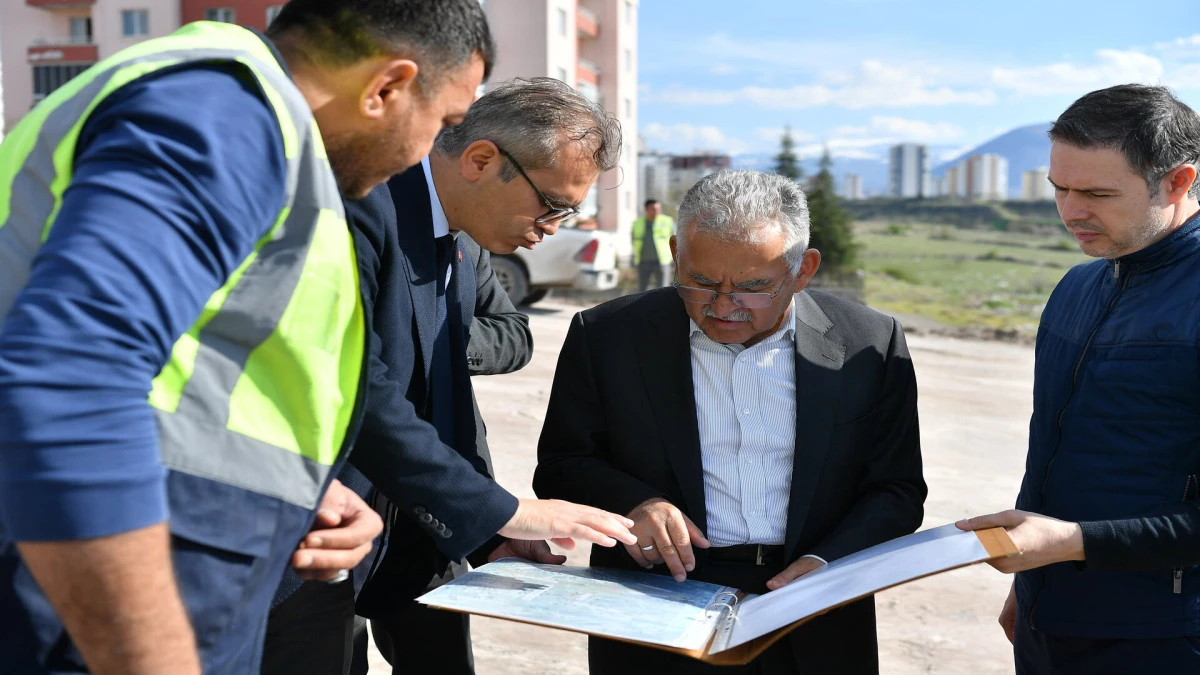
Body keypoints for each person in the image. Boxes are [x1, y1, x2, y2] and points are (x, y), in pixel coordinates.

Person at [0, 0, 505, 671]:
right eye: (442, 123)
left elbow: (187, 365)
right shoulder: (224, 111)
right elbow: (72, 383)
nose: (426, 154)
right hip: (101, 614)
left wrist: (301, 487)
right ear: (387, 85)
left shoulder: (269, 145)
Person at [263, 77, 631, 674]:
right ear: (482, 160)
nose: (553, 229)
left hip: (419, 520)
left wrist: (487, 526)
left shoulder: (462, 235)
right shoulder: (360, 203)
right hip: (318, 521)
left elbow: (448, 400)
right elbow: (358, 384)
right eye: (552, 205)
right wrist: (503, 510)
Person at [535, 169, 927, 675]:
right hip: (657, 604)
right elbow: (563, 464)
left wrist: (826, 563)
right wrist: (636, 504)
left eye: (752, 288)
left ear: (803, 270)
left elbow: (896, 490)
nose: (723, 307)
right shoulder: (607, 336)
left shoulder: (868, 344)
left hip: (813, 604)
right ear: (676, 253)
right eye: (700, 282)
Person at [958, 84, 1200, 674]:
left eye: (1096, 193)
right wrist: (1031, 584)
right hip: (1052, 618)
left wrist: (1071, 544)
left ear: (1178, 182)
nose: (1070, 212)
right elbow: (1050, 449)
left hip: (1164, 638)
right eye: (1059, 189)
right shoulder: (1076, 286)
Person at [632, 198, 676, 292]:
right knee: (642, 291)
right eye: (654, 209)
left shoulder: (667, 221)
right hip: (643, 262)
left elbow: (676, 239)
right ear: (646, 209)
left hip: (662, 261)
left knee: (663, 289)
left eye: (658, 209)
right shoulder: (637, 223)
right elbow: (633, 240)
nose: (657, 211)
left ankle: (662, 307)